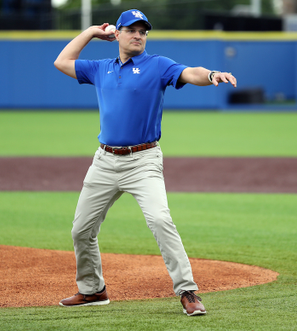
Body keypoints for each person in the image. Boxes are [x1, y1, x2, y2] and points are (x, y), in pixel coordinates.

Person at [53, 9, 237, 316]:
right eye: (132, 30)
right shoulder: (101, 69)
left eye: (143, 31)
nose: (139, 35)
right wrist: (89, 32)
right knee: (81, 230)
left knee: (160, 220)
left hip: (143, 160)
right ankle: (92, 291)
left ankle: (188, 291)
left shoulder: (158, 66)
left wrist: (210, 75)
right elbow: (62, 62)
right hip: (104, 161)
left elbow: (190, 72)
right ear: (117, 34)